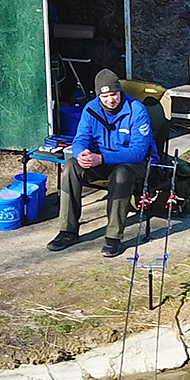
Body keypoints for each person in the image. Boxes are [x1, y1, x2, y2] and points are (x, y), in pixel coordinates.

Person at [47, 68, 154, 257]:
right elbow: (80, 139)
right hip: (101, 161)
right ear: (98, 96)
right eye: (105, 96)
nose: (110, 100)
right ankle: (67, 231)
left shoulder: (137, 110)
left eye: (114, 94)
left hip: (134, 164)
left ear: (120, 92)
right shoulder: (90, 109)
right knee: (71, 166)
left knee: (121, 174)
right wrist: (82, 153)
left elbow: (138, 152)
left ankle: (113, 237)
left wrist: (102, 158)